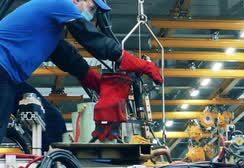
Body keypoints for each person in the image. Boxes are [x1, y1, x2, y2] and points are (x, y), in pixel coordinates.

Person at [0, 0, 163, 148]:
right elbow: (89, 36)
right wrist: (128, 59)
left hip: (11, 79)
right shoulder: (61, 3)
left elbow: (67, 57)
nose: (91, 16)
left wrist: (94, 81)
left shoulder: (52, 28)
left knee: (52, 122)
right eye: (92, 8)